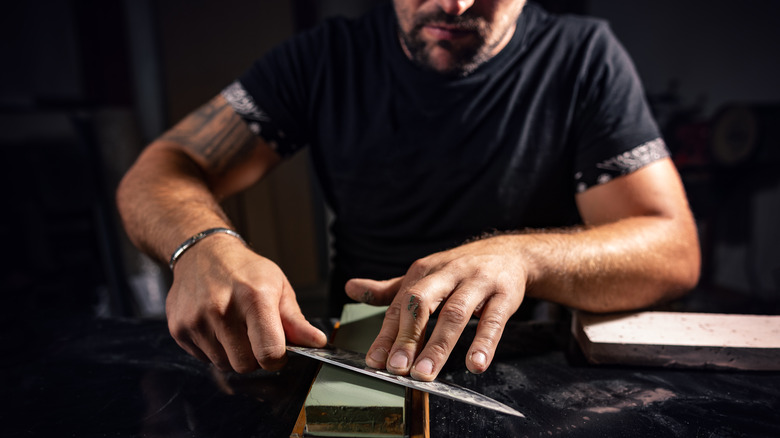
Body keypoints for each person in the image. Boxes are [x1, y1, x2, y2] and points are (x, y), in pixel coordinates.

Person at [117, 0, 700, 382]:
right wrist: (202, 245)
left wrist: (523, 255)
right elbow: (162, 167)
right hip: (356, 350)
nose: (454, 4)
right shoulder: (324, 58)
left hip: (523, 358)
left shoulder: (582, 58)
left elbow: (672, 247)